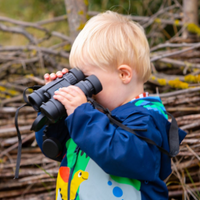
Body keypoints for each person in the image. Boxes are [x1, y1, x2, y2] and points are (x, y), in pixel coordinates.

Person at [35, 11, 186, 200]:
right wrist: (55, 112)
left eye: (88, 80)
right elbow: (54, 148)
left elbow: (119, 155)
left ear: (123, 75)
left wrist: (81, 113)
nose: (84, 90)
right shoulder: (92, 115)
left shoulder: (146, 118)